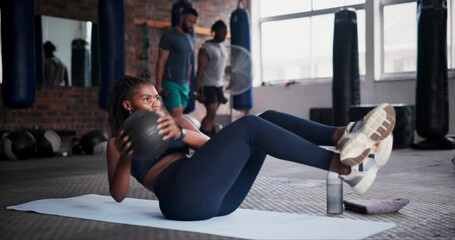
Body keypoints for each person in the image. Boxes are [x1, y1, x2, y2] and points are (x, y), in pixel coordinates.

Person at [107, 75, 396, 221]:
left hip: (222, 199)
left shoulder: (177, 120)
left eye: (157, 97)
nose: (156, 103)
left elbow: (213, 147)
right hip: (181, 200)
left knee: (263, 119)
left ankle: (342, 135)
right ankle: (343, 166)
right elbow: (118, 195)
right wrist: (128, 154)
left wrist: (182, 133)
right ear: (128, 104)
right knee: (249, 127)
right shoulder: (117, 143)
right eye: (148, 99)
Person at [155, 7, 198, 120]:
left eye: (194, 22)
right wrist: (159, 85)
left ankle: (169, 136)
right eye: (190, 21)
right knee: (177, 115)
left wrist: (188, 84)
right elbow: (161, 61)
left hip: (184, 85)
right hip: (170, 82)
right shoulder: (170, 35)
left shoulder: (190, 39)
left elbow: (189, 64)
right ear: (182, 18)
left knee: (177, 118)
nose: (192, 25)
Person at [195, 20, 229, 137]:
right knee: (211, 113)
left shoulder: (223, 47)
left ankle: (209, 138)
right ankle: (201, 138)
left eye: (225, 33)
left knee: (213, 115)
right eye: (221, 32)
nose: (224, 35)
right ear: (214, 32)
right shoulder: (206, 48)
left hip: (219, 84)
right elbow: (200, 70)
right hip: (208, 84)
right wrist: (197, 89)